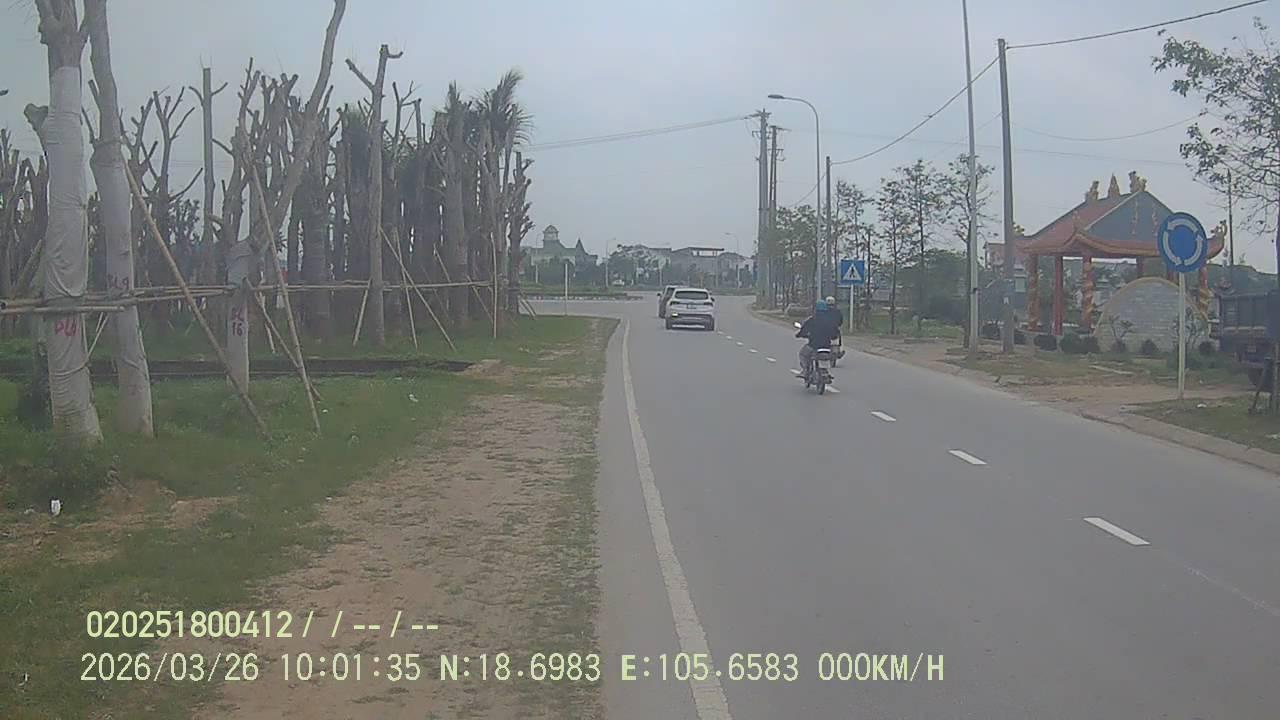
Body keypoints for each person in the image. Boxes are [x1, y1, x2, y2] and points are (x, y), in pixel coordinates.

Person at [796, 299, 841, 378]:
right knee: (827, 356)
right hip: (826, 346)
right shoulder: (830, 320)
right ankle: (825, 371)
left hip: (813, 345)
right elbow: (835, 333)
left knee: (803, 354)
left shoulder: (812, 320)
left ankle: (805, 370)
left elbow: (804, 330)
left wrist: (799, 334)